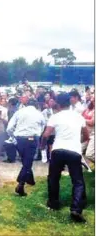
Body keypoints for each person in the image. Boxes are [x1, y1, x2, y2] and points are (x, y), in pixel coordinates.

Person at [41, 93, 89, 223]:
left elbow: (46, 135)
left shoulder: (55, 116)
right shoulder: (79, 117)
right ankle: (76, 209)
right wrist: (78, 142)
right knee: (77, 181)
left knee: (53, 177)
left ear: (58, 104)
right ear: (69, 103)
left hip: (58, 150)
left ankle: (53, 202)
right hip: (74, 151)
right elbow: (86, 136)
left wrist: (42, 146)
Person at [7, 99, 45, 196]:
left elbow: (9, 128)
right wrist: (38, 135)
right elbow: (43, 126)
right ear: (36, 105)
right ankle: (21, 184)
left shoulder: (19, 112)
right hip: (32, 139)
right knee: (27, 163)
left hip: (19, 139)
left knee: (26, 161)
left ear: (26, 104)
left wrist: (13, 137)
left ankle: (31, 180)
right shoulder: (39, 114)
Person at [82, 94, 94, 163]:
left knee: (89, 154)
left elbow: (92, 122)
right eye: (92, 98)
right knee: (77, 150)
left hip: (93, 134)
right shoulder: (88, 108)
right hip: (85, 133)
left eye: (93, 98)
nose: (92, 99)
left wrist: (83, 119)